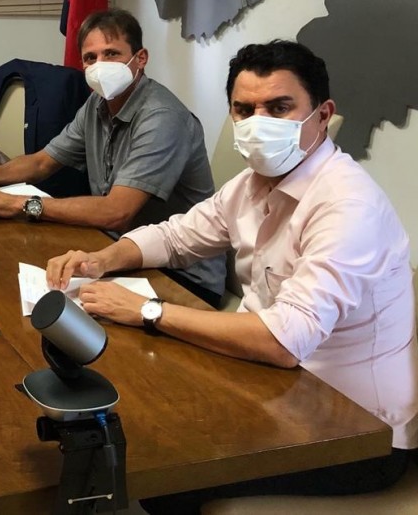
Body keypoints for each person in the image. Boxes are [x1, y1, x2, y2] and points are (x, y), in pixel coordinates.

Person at [46, 40, 417, 512]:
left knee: (163, 464)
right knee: (138, 413)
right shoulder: (251, 184)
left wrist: (147, 311)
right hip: (274, 385)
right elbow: (177, 236)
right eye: (244, 110)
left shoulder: (348, 206)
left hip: (356, 432)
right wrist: (103, 259)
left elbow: (283, 342)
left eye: (279, 108)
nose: (259, 123)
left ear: (322, 115)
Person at [0, 8, 225, 304]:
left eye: (111, 54)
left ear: (140, 58)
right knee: (14, 276)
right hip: (115, 251)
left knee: (49, 307)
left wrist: (20, 204)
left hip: (182, 277)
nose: (100, 65)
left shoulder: (162, 117)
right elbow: (42, 161)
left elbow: (116, 212)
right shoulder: (97, 103)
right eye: (91, 58)